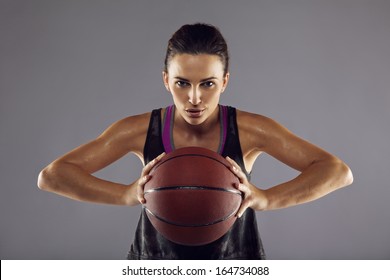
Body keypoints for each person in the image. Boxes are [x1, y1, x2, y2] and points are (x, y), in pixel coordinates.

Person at [37, 23, 353, 260]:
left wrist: (265, 198)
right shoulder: (139, 130)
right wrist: (125, 194)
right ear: (166, 80)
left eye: (208, 84)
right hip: (154, 265)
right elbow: (52, 176)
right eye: (182, 83)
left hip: (235, 264)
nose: (194, 98)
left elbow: (337, 171)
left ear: (225, 81)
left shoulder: (250, 129)